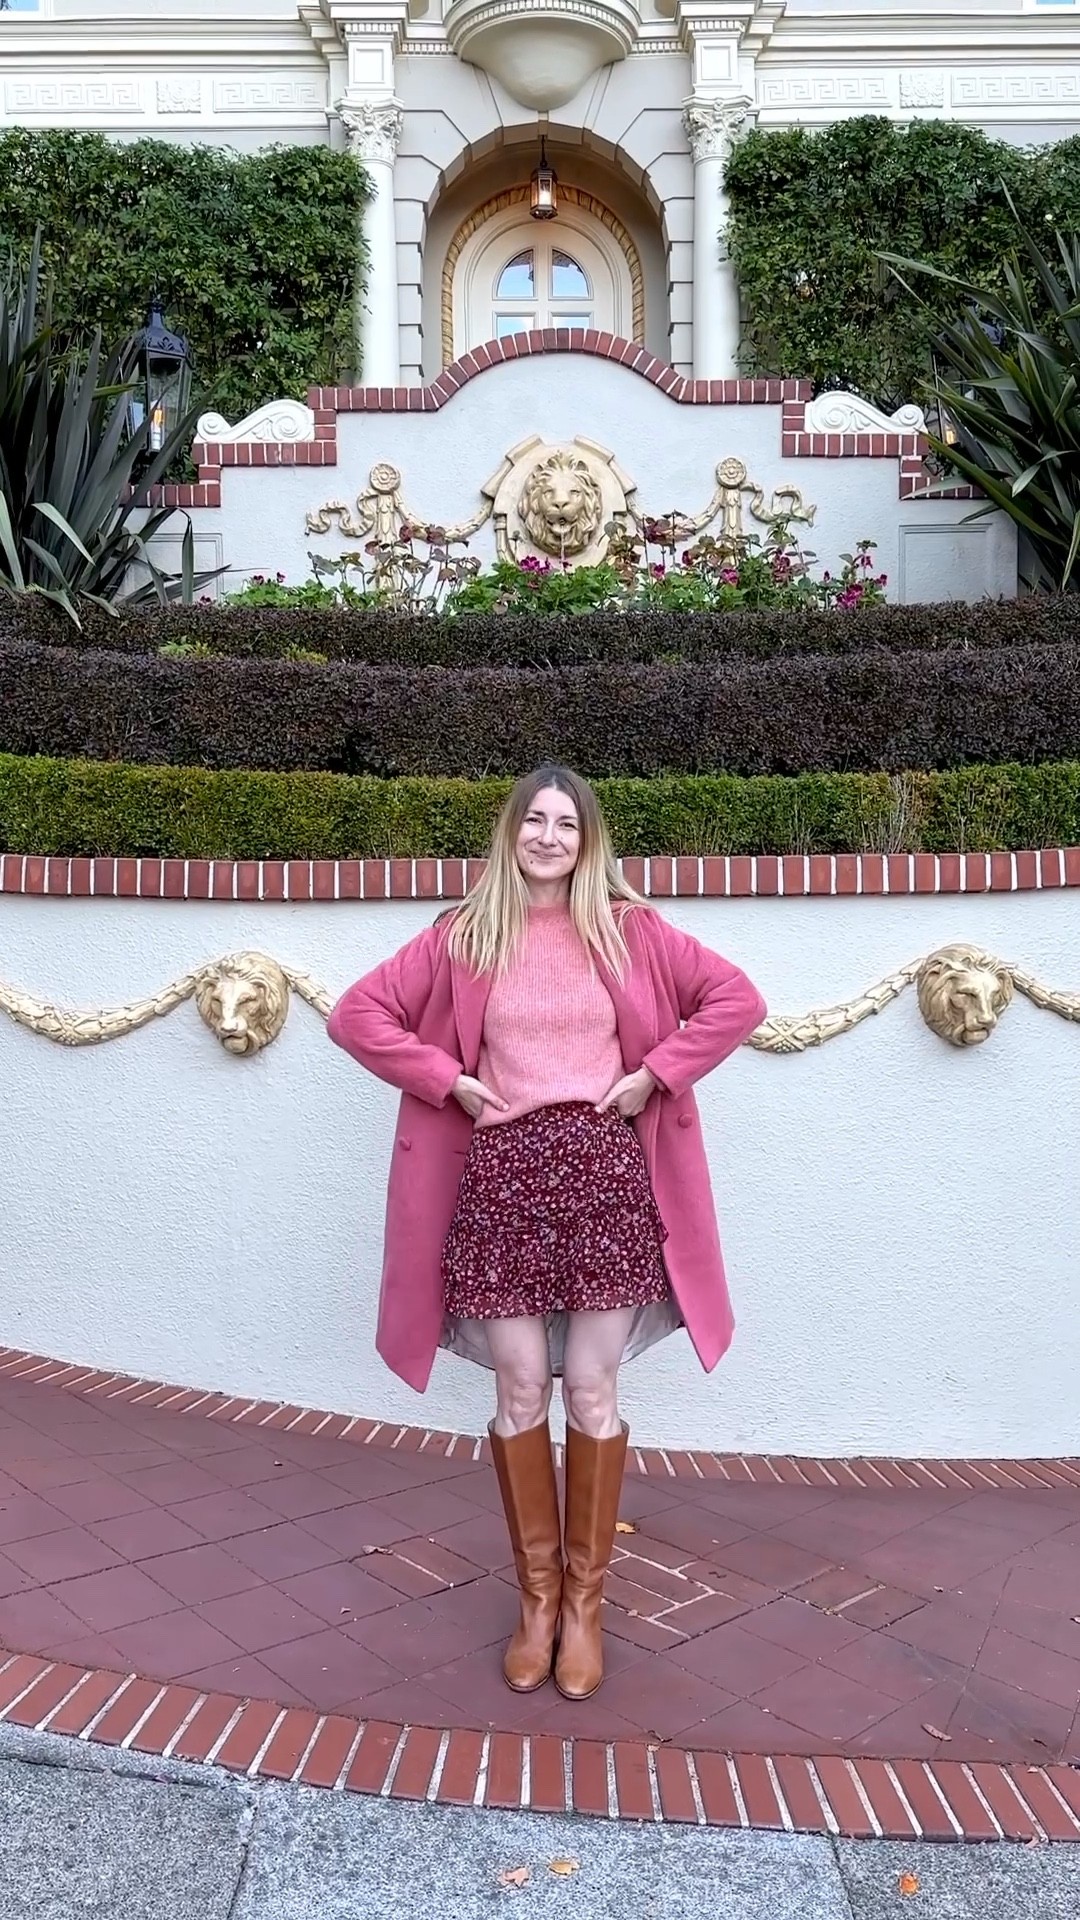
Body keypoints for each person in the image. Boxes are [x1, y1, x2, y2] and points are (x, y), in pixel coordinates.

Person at [327, 765, 766, 1701]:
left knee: (592, 1389)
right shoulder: (463, 934)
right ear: (511, 832)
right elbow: (356, 1016)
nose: (551, 837)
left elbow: (736, 1000)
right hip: (499, 1183)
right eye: (536, 820)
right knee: (523, 1385)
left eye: (568, 824)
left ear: (589, 839)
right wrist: (446, 1079)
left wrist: (656, 1073)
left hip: (606, 1178)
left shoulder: (631, 928)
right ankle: (536, 1601)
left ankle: (585, 1609)